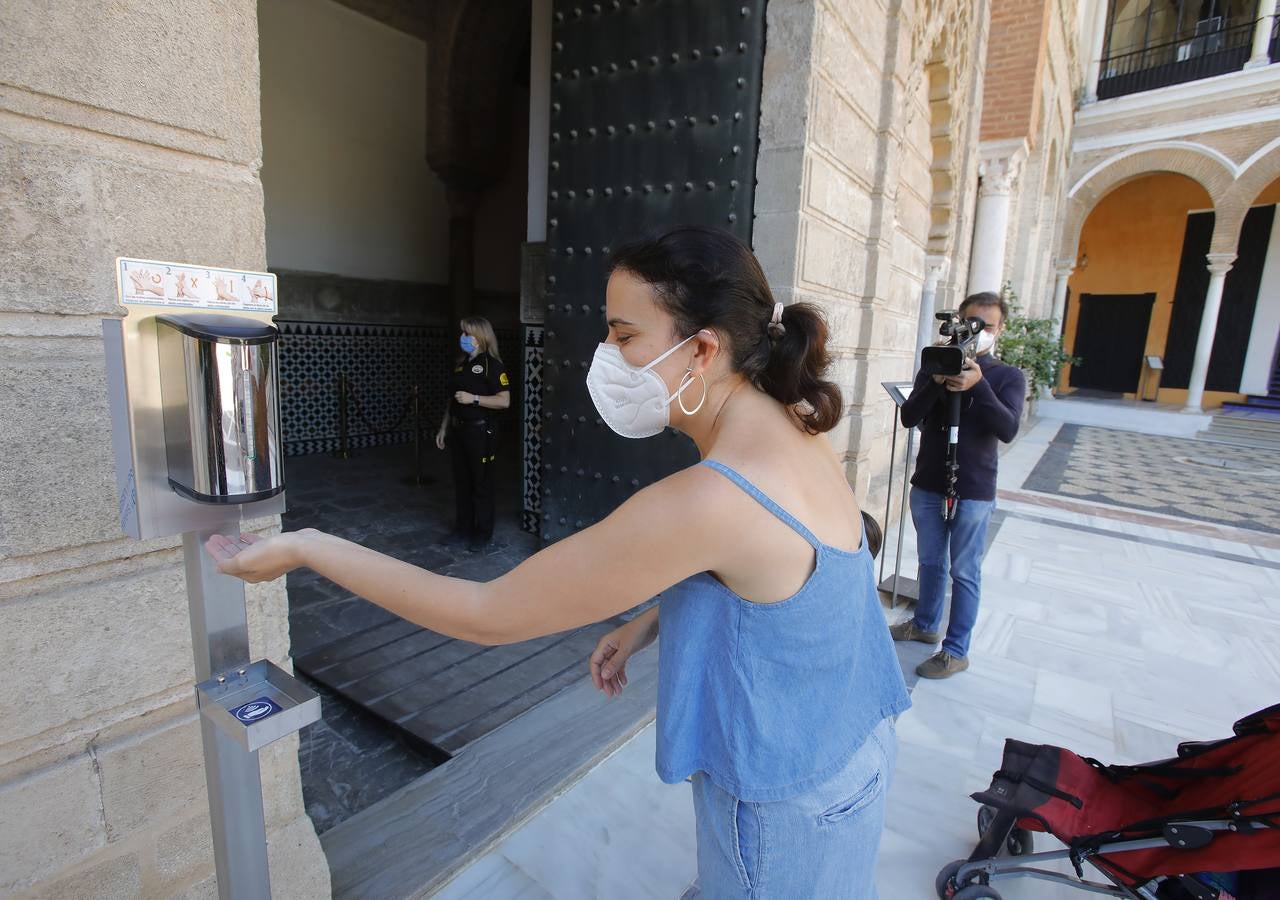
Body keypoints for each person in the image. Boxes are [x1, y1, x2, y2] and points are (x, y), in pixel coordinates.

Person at [208, 226, 910, 899]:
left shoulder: (711, 498)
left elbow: (484, 613)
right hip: (851, 749)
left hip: (785, 802)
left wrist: (308, 546)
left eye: (625, 334)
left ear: (701, 350)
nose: (604, 351)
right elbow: (780, 584)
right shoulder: (796, 428)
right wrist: (648, 621)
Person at [890, 291, 1025, 679]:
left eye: (987, 326)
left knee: (965, 571)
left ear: (999, 330)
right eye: (971, 323)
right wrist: (934, 381)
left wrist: (978, 386)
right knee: (931, 562)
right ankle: (925, 624)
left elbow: (1008, 428)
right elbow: (909, 415)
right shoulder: (935, 362)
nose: (977, 332)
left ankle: (956, 650)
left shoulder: (1007, 376)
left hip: (974, 487)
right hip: (930, 482)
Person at [435, 316, 510, 545]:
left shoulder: (493, 365)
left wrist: (474, 399)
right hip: (459, 432)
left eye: (466, 334)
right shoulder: (462, 364)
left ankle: (483, 533)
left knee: (481, 484)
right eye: (462, 334)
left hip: (480, 433)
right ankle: (462, 529)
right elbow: (453, 400)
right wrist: (444, 427)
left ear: (479, 337)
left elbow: (504, 401)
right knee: (462, 482)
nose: (462, 338)